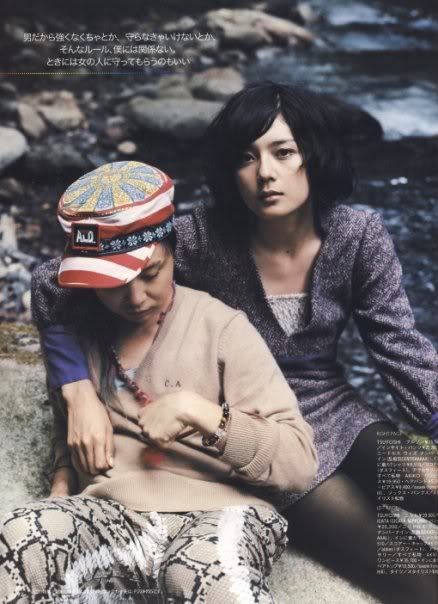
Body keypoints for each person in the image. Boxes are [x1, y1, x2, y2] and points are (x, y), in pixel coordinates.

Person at [31, 84, 437, 602]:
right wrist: (77, 390)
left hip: (339, 413)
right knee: (413, 571)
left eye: (283, 152)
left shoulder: (358, 236)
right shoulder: (198, 237)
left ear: (314, 154)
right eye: (246, 157)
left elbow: (401, 349)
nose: (265, 173)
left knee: (429, 484)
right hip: (254, 432)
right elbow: (50, 282)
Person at [0, 161, 318, 603]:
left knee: (200, 573)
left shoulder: (223, 328)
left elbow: (299, 463)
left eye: (150, 273)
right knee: (20, 534)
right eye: (112, 283)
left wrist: (203, 414)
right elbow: (68, 435)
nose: (134, 298)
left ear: (173, 253)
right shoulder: (80, 335)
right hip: (113, 518)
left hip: (221, 512)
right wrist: (61, 484)